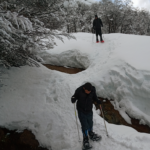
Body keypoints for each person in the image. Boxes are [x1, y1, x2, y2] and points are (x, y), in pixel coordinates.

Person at [71, 82, 102, 149]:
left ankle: (91, 133)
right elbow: (74, 96)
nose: (89, 92)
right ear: (84, 88)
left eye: (90, 91)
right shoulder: (79, 90)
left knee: (90, 123)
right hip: (81, 110)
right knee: (84, 125)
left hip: (89, 110)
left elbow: (95, 97)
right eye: (88, 91)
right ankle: (85, 139)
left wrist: (98, 100)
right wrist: (73, 98)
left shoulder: (92, 90)